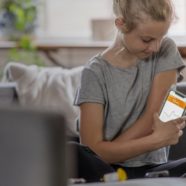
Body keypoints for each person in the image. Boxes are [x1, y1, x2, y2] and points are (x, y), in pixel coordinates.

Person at [73, 0, 186, 182]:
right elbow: (91, 151)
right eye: (147, 40)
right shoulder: (93, 73)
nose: (155, 47)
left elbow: (153, 117)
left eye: (161, 37)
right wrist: (156, 140)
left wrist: (108, 150)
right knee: (74, 151)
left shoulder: (166, 49)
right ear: (121, 23)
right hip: (107, 171)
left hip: (154, 170)